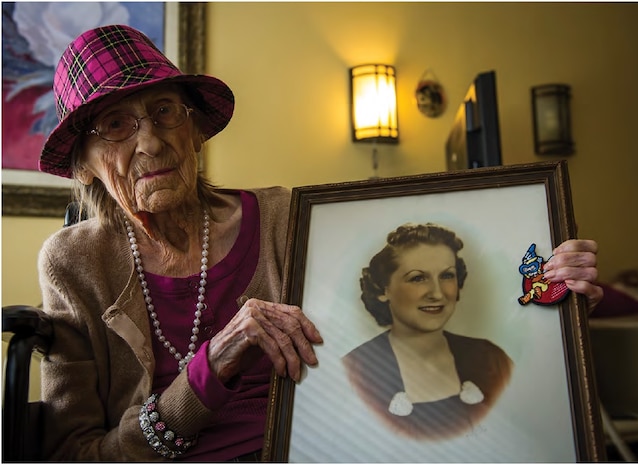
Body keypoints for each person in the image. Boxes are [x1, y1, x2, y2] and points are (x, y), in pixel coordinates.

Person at [34, 24, 602, 461]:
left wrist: (543, 298)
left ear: (196, 129)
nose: (153, 140)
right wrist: (209, 369)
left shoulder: (285, 214)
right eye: (115, 125)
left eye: (164, 112)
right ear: (83, 164)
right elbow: (77, 454)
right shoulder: (74, 263)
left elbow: (407, 307)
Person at [342, 223, 599, 441]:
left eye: (447, 276)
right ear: (382, 289)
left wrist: (565, 319)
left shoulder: (491, 359)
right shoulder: (354, 372)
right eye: (417, 277)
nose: (438, 293)